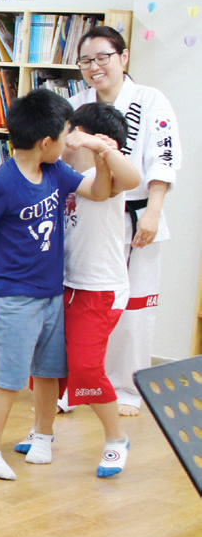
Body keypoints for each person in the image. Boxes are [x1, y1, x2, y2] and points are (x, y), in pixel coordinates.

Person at [0, 89, 117, 481]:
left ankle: (43, 435)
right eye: (65, 136)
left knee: (48, 373)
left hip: (50, 294)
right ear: (47, 142)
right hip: (15, 297)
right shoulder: (4, 182)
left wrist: (103, 156)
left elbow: (98, 192)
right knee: (9, 379)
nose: (68, 143)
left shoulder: (55, 172)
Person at [14, 103, 140, 477]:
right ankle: (42, 431)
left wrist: (104, 150)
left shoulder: (106, 174)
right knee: (45, 365)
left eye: (71, 131)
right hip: (60, 285)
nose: (63, 138)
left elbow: (132, 179)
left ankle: (116, 439)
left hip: (99, 289)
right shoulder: (61, 173)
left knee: (85, 367)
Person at [67, 26, 181, 415]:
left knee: (134, 305)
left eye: (103, 57)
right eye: (86, 60)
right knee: (84, 299)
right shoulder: (76, 102)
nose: (95, 67)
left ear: (123, 57)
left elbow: (163, 158)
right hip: (89, 213)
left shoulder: (150, 100)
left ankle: (127, 388)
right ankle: (79, 384)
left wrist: (154, 209)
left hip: (137, 211)